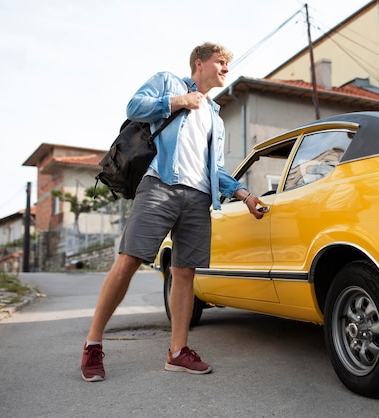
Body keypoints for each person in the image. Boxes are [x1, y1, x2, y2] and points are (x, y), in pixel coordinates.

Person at [81, 42, 264, 382]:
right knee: (129, 260)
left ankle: (178, 352)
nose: (226, 69)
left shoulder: (215, 117)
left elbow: (216, 168)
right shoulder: (168, 82)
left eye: (227, 65)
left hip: (198, 197)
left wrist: (244, 193)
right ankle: (93, 344)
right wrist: (179, 101)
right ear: (200, 63)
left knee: (184, 273)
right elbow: (135, 106)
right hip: (161, 184)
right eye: (220, 62)